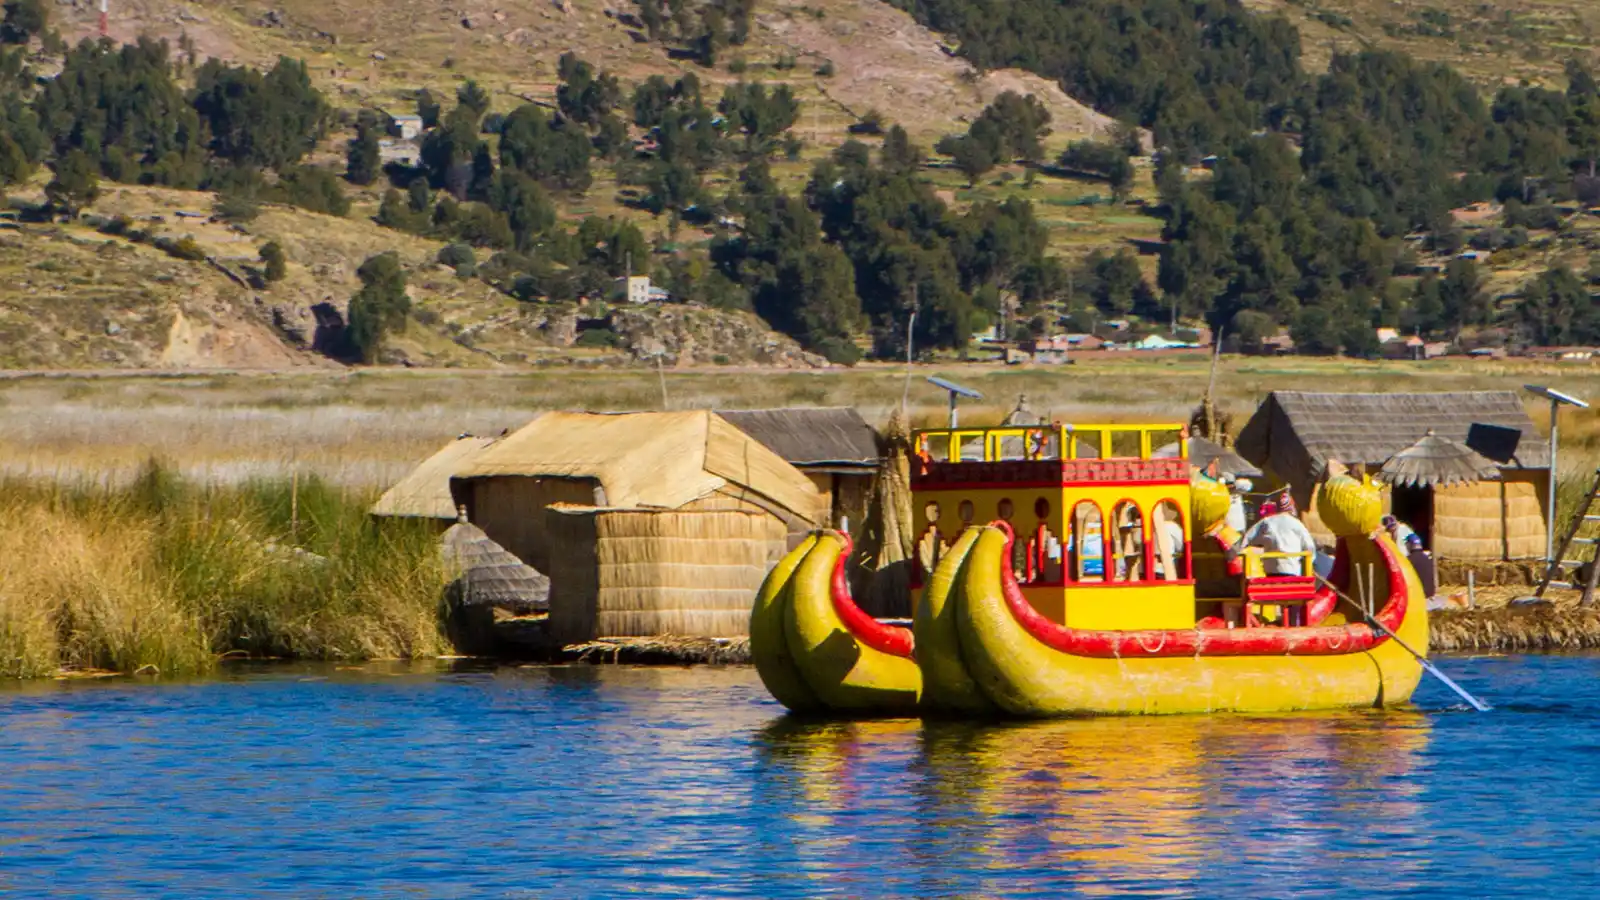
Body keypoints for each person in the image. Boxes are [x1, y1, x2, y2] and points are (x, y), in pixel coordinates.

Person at [1244, 499, 1318, 576]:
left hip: (1270, 571)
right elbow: (1310, 548)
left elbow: (1247, 538)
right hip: (1292, 570)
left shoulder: (1267, 522)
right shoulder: (1297, 524)